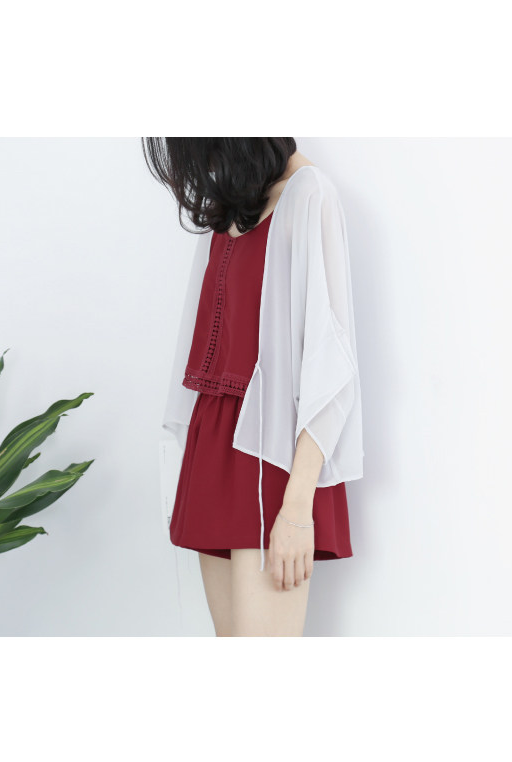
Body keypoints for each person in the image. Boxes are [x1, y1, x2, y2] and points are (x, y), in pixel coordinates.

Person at [145, 138, 364, 636]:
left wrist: (297, 507)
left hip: (271, 457)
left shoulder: (309, 194)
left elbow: (331, 367)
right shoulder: (231, 203)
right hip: (214, 447)